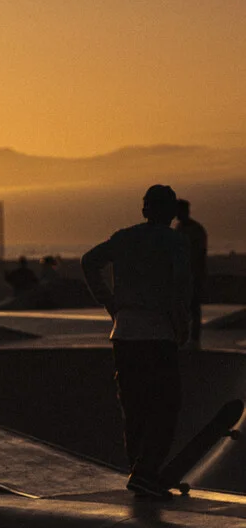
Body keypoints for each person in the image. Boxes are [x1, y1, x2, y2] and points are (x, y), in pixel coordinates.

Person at [81, 184, 191, 499]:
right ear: (170, 212)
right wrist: (181, 326)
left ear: (144, 211)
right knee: (166, 406)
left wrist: (111, 303)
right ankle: (145, 472)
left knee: (135, 407)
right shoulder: (175, 242)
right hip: (158, 335)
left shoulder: (124, 237)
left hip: (125, 333)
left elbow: (89, 262)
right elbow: (181, 287)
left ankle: (140, 473)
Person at [175, 199, 208, 348]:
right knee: (183, 308)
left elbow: (200, 255)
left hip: (193, 274)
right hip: (182, 276)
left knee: (193, 307)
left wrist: (199, 275)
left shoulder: (195, 230)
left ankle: (194, 339)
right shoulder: (179, 228)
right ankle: (184, 337)